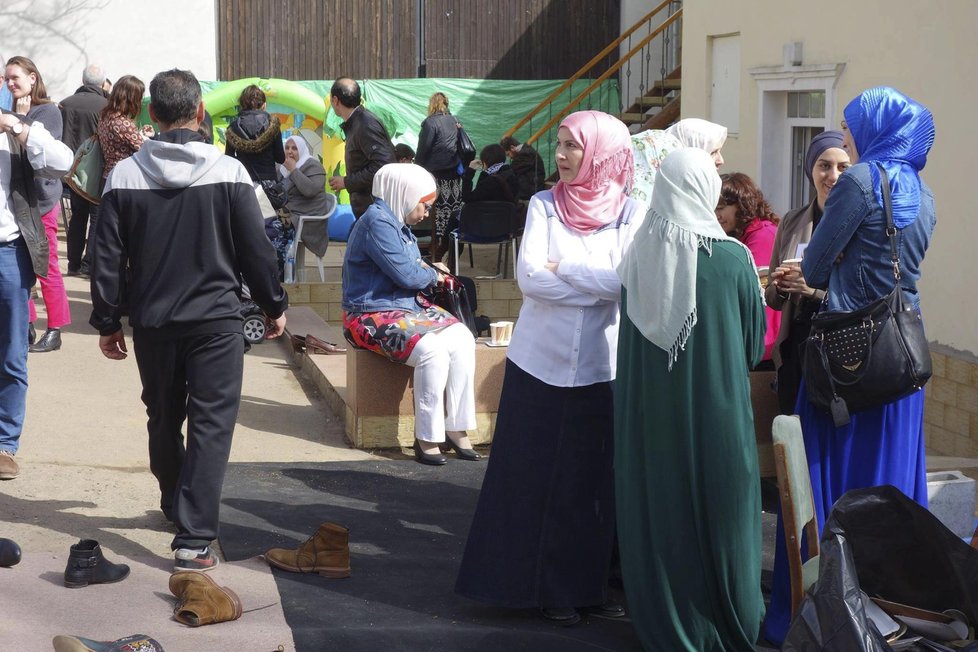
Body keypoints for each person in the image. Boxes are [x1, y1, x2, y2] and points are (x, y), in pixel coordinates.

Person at [90, 68, 288, 570]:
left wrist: (108, 320)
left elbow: (105, 257)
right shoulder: (230, 172)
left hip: (155, 322)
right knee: (211, 425)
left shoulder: (124, 175)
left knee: (162, 416)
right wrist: (273, 305)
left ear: (150, 114)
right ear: (200, 112)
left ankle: (173, 499)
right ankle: (194, 537)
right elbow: (257, 251)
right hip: (218, 321)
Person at [765, 86, 936, 645]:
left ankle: (823, 619)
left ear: (874, 126)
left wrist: (824, 270)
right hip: (901, 363)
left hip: (849, 365)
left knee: (827, 491)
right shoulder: (924, 192)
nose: (849, 133)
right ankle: (886, 618)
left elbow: (814, 261)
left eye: (850, 123)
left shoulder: (861, 182)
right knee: (891, 492)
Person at [456, 111, 639, 625]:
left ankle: (584, 589)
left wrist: (569, 272)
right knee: (528, 480)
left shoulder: (632, 213)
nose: (560, 155)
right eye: (558, 144)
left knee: (588, 486)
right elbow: (531, 280)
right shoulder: (542, 204)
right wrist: (595, 286)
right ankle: (527, 587)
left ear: (601, 153)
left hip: (602, 370)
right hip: (538, 366)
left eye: (573, 147)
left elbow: (629, 283)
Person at [615, 147, 767, 651]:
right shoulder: (731, 258)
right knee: (723, 517)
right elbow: (751, 345)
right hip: (717, 416)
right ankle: (731, 622)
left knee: (664, 513)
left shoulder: (637, 257)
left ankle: (665, 620)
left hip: (650, 422)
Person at [341, 163, 478, 465]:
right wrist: (434, 275)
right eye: (425, 206)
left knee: (463, 338)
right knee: (432, 351)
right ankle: (427, 437)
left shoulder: (393, 220)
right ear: (404, 195)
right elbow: (408, 275)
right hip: (369, 314)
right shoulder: (377, 222)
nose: (427, 213)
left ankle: (457, 427)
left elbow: (411, 269)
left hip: (405, 307)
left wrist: (426, 269)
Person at [0, 95, 74, 480]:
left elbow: (64, 162)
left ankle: (4, 444)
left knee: (12, 353)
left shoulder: (16, 128)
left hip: (8, 253)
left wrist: (16, 127)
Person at [766, 131, 850, 413]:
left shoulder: (856, 225)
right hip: (794, 346)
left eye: (843, 167)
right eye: (824, 165)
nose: (833, 176)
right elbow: (773, 300)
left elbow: (860, 296)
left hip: (838, 349)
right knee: (793, 436)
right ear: (811, 169)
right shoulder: (791, 221)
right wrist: (779, 285)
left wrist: (811, 291)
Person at [5, 56, 70, 353]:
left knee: (46, 266)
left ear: (33, 78)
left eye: (15, 77)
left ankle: (55, 328)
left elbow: (42, 157)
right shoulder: (8, 112)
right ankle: (27, 322)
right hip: (15, 204)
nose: (10, 83)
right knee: (20, 267)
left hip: (41, 202)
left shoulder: (48, 111)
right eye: (6, 79)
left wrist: (21, 121)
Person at [716, 172, 781, 365]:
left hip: (763, 346)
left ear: (742, 205)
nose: (716, 215)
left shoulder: (762, 236)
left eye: (721, 207)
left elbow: (746, 289)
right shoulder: (743, 235)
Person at [91, 75, 154, 275]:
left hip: (107, 178)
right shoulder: (122, 123)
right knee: (130, 235)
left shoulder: (105, 117)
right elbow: (144, 149)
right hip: (126, 182)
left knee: (112, 234)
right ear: (131, 97)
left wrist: (140, 133)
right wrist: (147, 137)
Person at [59, 64, 108, 276]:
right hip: (95, 169)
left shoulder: (65, 104)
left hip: (69, 169)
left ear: (83, 81)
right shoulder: (105, 105)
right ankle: (88, 265)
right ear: (103, 83)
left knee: (77, 216)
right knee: (96, 217)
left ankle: (73, 264)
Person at [327, 77, 396, 218]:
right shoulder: (357, 122)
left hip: (375, 210)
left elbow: (383, 165)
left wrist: (347, 182)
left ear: (335, 100)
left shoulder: (366, 124)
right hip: (368, 209)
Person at [264, 134, 331, 278]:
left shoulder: (313, 166)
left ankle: (279, 277)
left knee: (274, 228)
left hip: (307, 218)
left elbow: (310, 190)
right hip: (288, 212)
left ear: (302, 150)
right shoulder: (283, 168)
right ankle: (266, 275)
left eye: (294, 148)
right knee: (260, 221)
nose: (289, 152)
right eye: (287, 147)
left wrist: (294, 170)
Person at [415, 92, 464, 264]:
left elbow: (423, 150)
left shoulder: (430, 123)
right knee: (454, 216)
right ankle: (452, 256)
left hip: (435, 178)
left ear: (432, 105)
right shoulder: (454, 120)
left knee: (435, 219)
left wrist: (417, 170)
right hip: (454, 179)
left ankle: (435, 255)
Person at [223, 84, 284, 183]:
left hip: (244, 182)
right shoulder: (272, 125)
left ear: (242, 104)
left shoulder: (233, 127)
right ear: (263, 104)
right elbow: (280, 158)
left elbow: (229, 158)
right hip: (268, 184)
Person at [499, 135, 546, 200]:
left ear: (512, 148)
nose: (510, 157)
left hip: (531, 191)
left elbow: (511, 170)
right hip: (529, 188)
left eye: (508, 154)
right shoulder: (526, 151)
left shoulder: (526, 154)